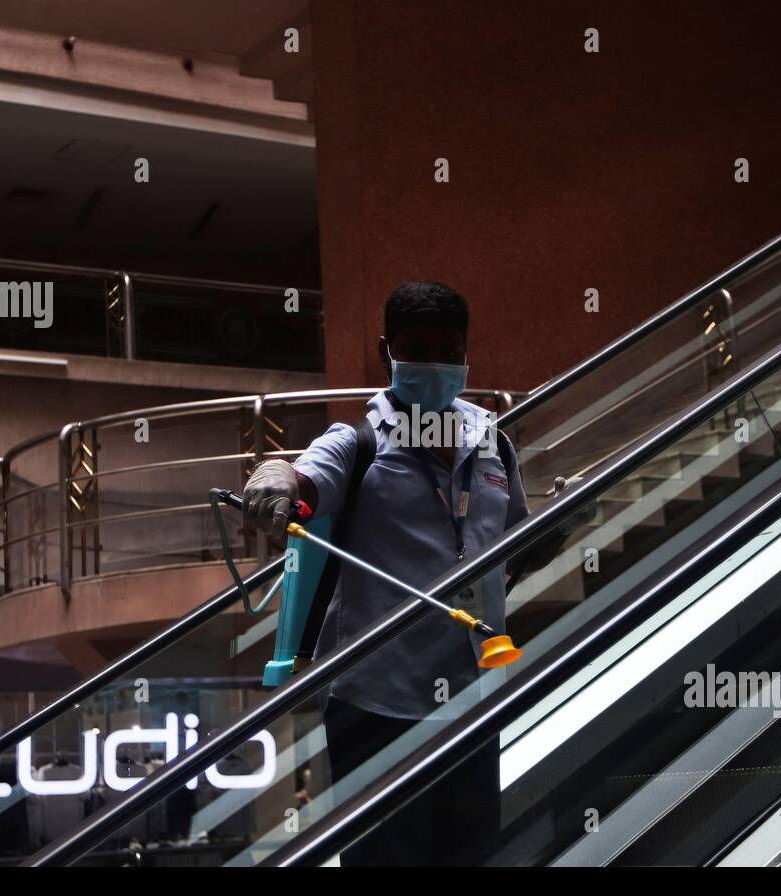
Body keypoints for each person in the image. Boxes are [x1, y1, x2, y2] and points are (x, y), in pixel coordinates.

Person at [241, 280, 584, 865]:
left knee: (470, 855)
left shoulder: (493, 446)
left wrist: (561, 523)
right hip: (377, 700)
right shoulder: (358, 443)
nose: (436, 366)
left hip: (471, 696)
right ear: (386, 352)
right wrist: (277, 473)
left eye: (450, 352)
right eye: (418, 350)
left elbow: (511, 550)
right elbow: (307, 481)